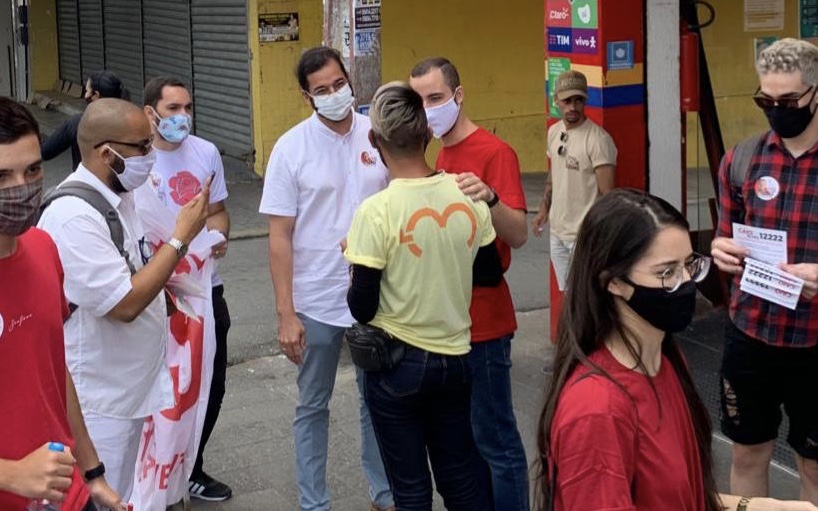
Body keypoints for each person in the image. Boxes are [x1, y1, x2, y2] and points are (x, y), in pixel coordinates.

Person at [536, 188, 818, 511]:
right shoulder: (596, 410)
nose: (686, 282)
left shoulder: (665, 360)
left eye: (689, 265)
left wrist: (762, 506)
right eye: (666, 273)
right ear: (612, 282)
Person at [37, 97, 210, 502]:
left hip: (126, 389)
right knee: (98, 497)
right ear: (106, 153)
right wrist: (181, 237)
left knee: (121, 494)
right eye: (142, 148)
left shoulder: (120, 198)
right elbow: (125, 304)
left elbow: (132, 272)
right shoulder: (74, 217)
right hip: (99, 402)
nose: (151, 157)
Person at [345, 81, 500, 511]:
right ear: (428, 135)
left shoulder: (375, 212)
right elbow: (488, 274)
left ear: (375, 142)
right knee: (461, 478)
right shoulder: (468, 196)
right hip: (455, 357)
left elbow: (362, 306)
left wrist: (356, 264)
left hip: (396, 364)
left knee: (410, 489)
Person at [258, 46, 394, 511]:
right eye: (322, 90)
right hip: (314, 300)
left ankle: (385, 494)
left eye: (339, 84)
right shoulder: (290, 148)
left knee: (375, 401)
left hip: (376, 297)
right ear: (306, 96)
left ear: (349, 80)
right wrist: (285, 313)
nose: (334, 95)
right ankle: (314, 503)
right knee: (313, 405)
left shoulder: (378, 135)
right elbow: (279, 236)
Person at [408, 56, 530, 511]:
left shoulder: (495, 152)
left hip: (486, 325)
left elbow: (516, 233)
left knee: (497, 441)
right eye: (419, 100)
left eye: (435, 98)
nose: (427, 109)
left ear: (458, 96)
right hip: (448, 325)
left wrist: (489, 195)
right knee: (465, 443)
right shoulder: (438, 153)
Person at [0, 98, 127, 511]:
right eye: (1, 176)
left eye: (32, 170)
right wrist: (10, 474)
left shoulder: (42, 248)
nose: (20, 187)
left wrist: (92, 472)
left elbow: (54, 370)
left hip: (65, 494)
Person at [711, 38, 818, 504]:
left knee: (814, 464)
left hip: (815, 343)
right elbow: (724, 235)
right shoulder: (741, 159)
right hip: (750, 334)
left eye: (789, 101)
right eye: (765, 100)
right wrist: (720, 250)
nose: (777, 110)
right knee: (748, 454)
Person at [141, 75, 233, 502]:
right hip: (156, 295)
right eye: (173, 109)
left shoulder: (206, 153)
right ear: (150, 114)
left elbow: (218, 212)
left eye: (188, 108)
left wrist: (218, 238)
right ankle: (154, 470)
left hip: (204, 291)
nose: (183, 118)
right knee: (160, 388)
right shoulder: (136, 158)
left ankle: (190, 467)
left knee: (209, 385)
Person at [530, 69, 616, 291]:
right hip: (557, 233)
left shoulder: (598, 140)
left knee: (587, 297)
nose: (573, 107)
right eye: (567, 101)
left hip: (583, 236)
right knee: (568, 295)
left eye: (579, 100)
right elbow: (553, 176)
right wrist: (543, 211)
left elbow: (608, 196)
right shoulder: (554, 132)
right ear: (556, 100)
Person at [41, 70, 127, 170]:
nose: (85, 95)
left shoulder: (78, 123)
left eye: (87, 91)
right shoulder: (132, 122)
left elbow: (45, 152)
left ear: (96, 95)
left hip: (86, 183)